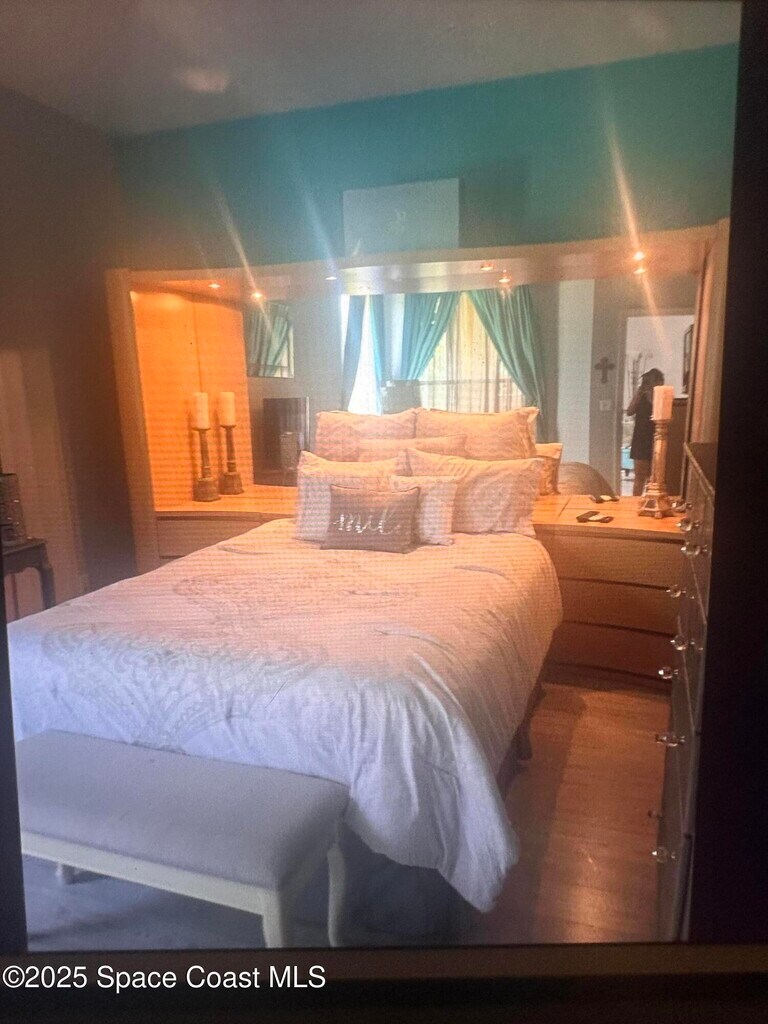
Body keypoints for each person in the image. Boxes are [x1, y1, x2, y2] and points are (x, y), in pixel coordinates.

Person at [627, 367, 664, 496]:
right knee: (639, 476)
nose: (646, 385)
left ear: (659, 382)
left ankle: (650, 500)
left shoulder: (662, 397)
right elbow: (630, 411)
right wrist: (638, 395)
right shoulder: (640, 395)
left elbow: (661, 415)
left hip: (656, 439)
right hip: (640, 439)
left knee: (654, 478)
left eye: (649, 381)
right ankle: (634, 502)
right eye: (645, 382)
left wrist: (652, 397)